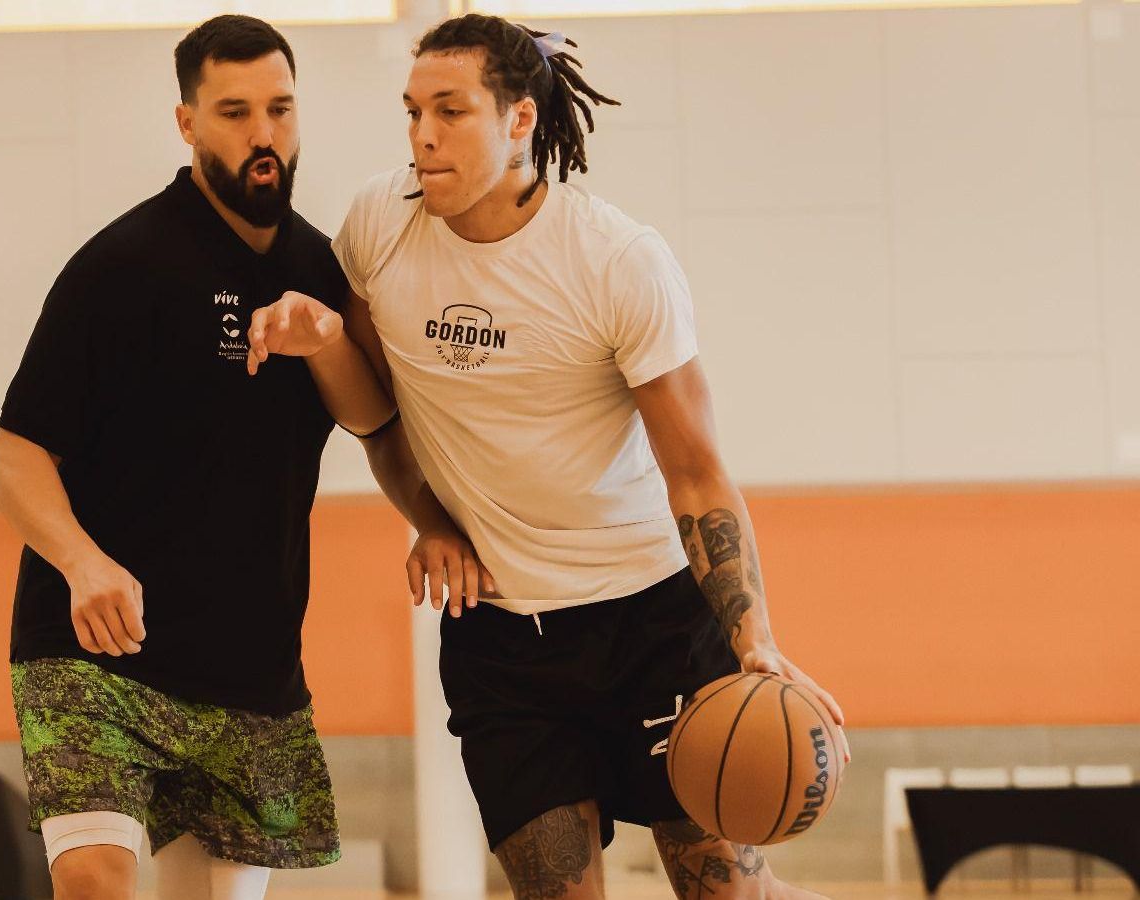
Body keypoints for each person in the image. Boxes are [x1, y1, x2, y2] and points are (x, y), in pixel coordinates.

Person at [248, 13, 848, 900]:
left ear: (520, 119)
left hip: (653, 620)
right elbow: (379, 416)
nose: (422, 135)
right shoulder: (381, 224)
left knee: (727, 890)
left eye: (449, 111)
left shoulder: (616, 261)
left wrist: (752, 635)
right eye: (412, 111)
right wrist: (429, 518)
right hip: (503, 639)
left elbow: (696, 472)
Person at [0, 15, 393, 900]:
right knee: (95, 880)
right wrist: (82, 562)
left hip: (248, 667)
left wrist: (325, 337)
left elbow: (371, 417)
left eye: (281, 110)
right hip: (94, 647)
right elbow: (15, 456)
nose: (263, 135)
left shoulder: (325, 268)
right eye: (236, 111)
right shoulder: (121, 267)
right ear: (188, 123)